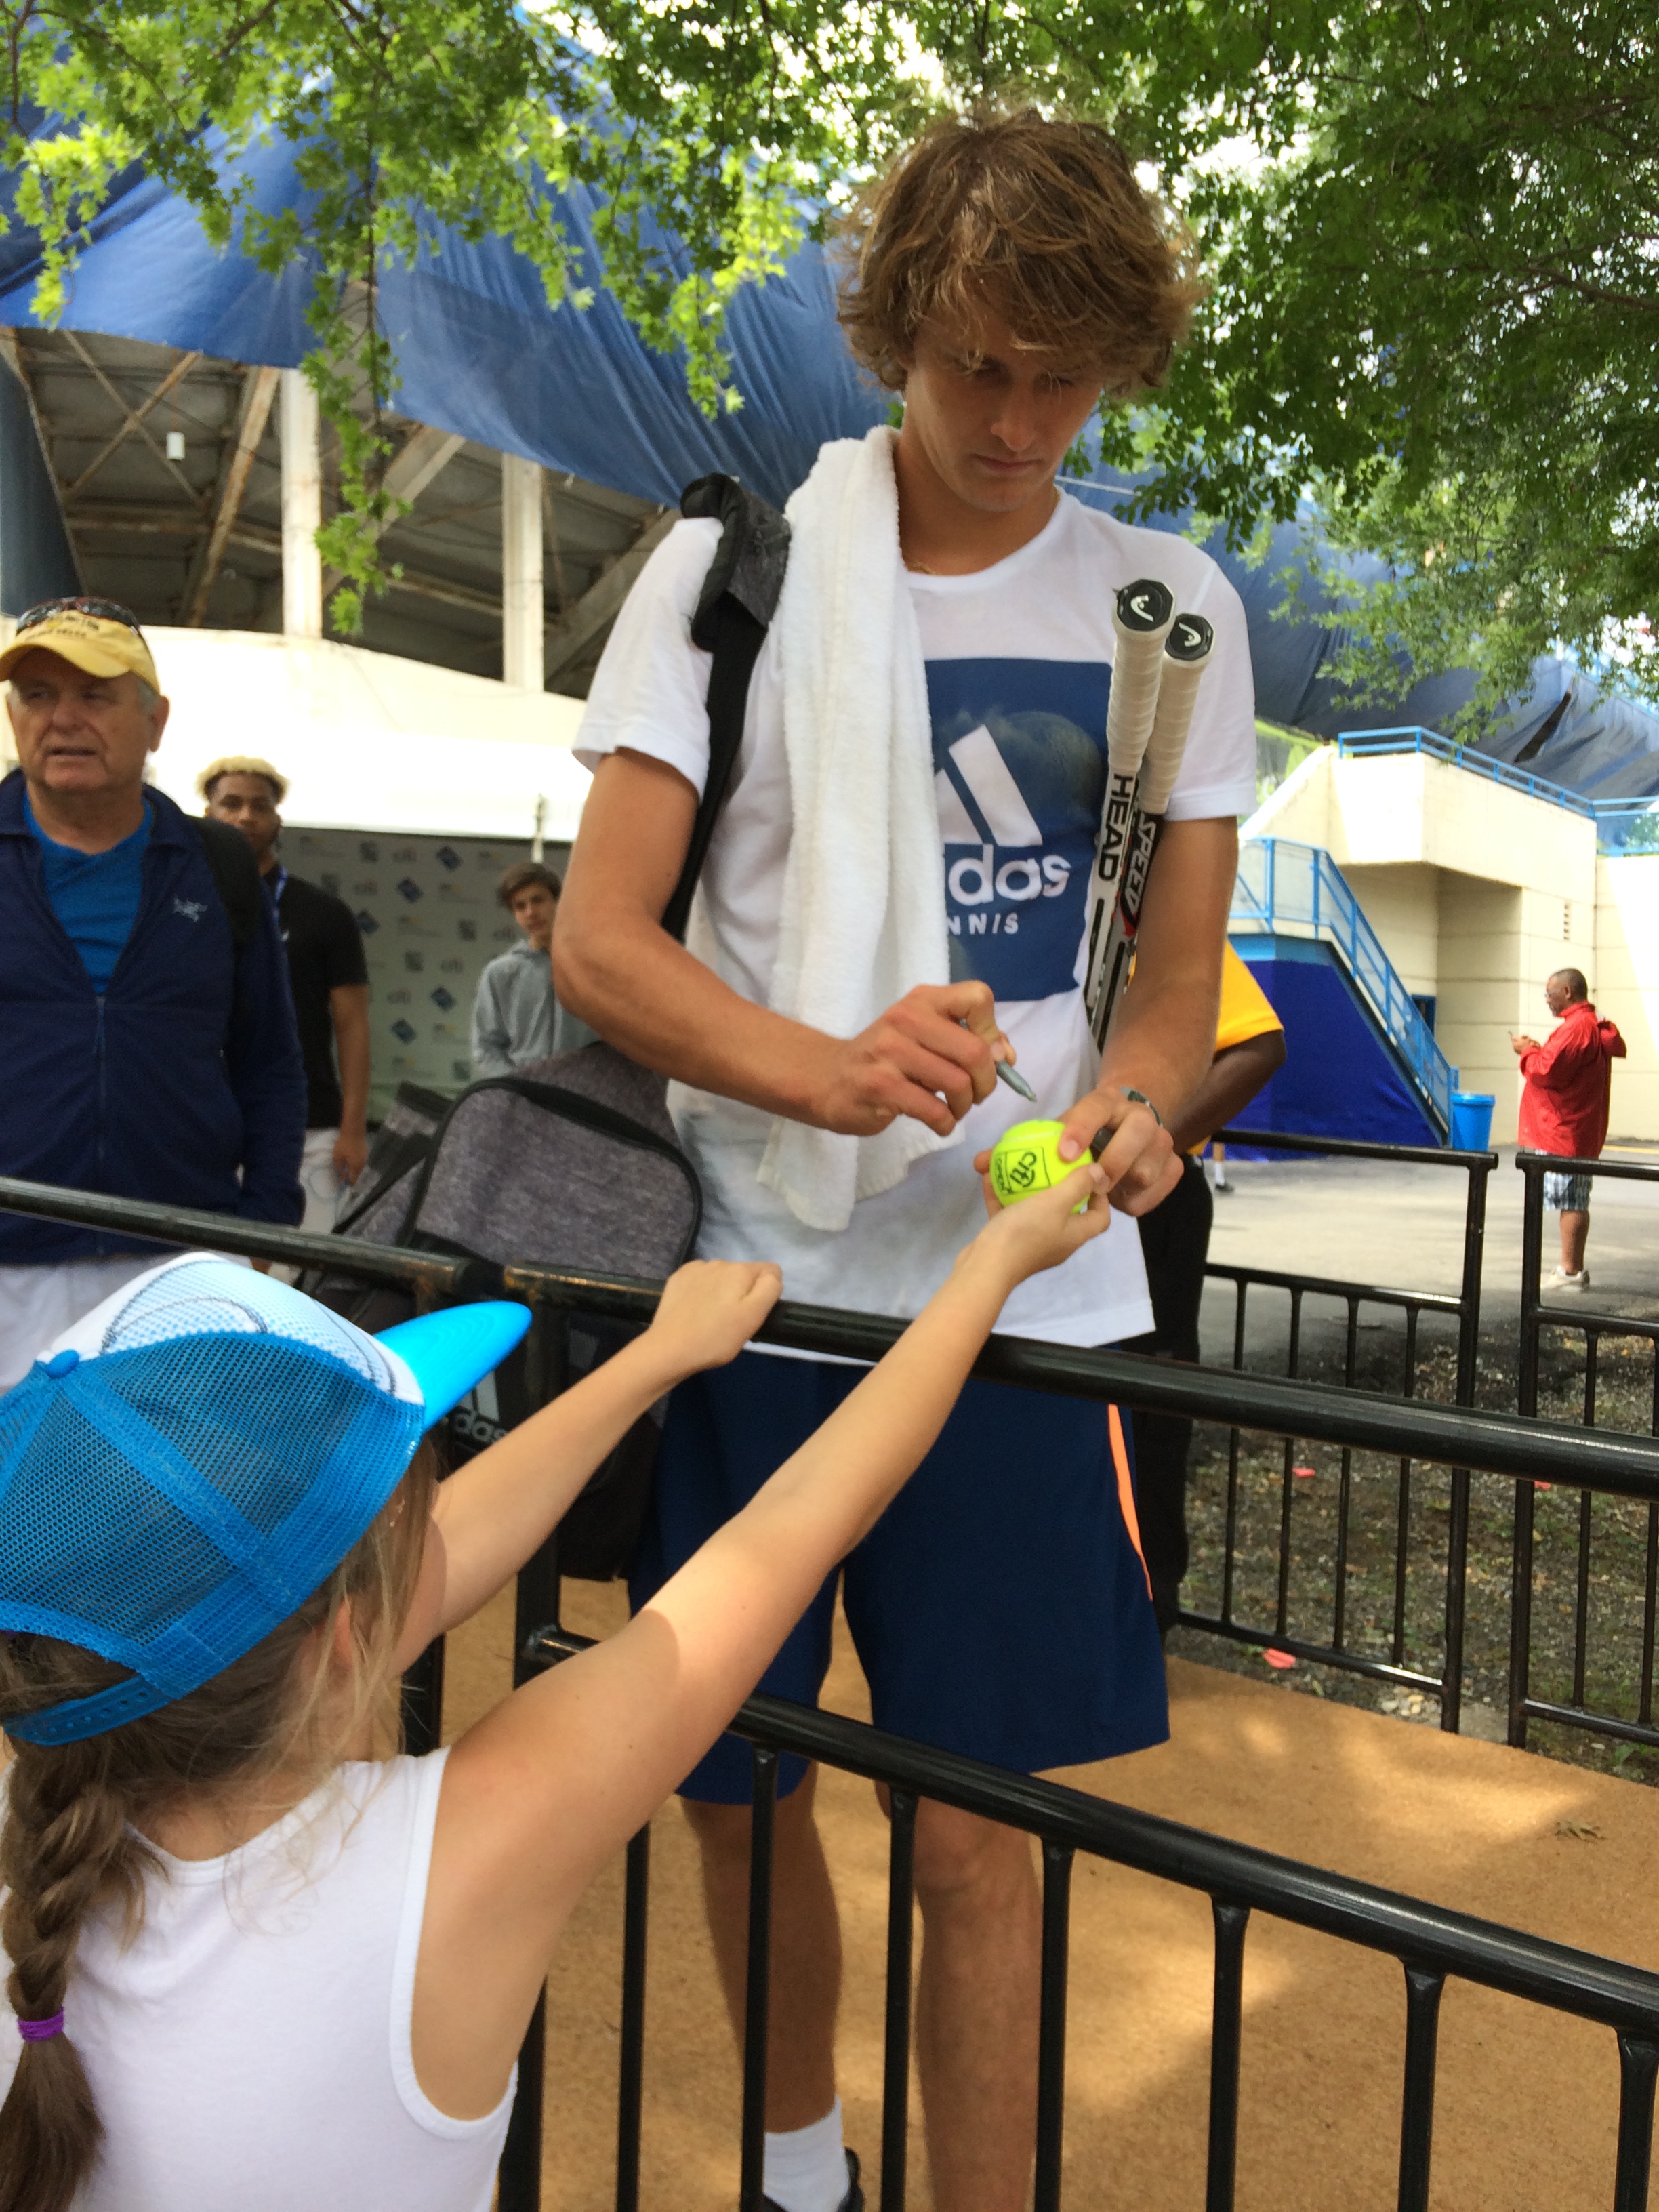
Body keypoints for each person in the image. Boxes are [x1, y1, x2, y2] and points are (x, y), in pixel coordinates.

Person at [554, 110, 1256, 2212]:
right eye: (981, 369)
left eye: (1070, 376)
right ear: (895, 337)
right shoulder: (729, 573)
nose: (1024, 422)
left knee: (983, 1820)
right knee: (740, 1783)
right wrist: (830, 1065)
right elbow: (600, 939)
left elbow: (1169, 987)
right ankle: (796, 2173)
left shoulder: (1170, 605)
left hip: (1029, 1302)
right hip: (762, 1282)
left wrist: (1129, 1113)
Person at [0, 1158, 1109, 2212]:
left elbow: (416, 1562)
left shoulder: (36, 1792)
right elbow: (796, 1521)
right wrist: (987, 1265)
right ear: (343, 1643)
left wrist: (655, 1357)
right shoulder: (458, 1855)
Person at [0, 598, 304, 1391]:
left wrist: (265, 1227)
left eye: (94, 695)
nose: (62, 719)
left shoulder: (219, 867)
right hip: (6, 1268)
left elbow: (269, 1062)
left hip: (181, 1268)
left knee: (168, 1505)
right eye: (36, 694)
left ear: (155, 720)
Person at [1130, 945, 1286, 1635]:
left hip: (1146, 1203)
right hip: (1044, 1197)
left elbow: (1258, 1044)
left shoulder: (1144, 913)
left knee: (1149, 1409)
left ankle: (1146, 1610)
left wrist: (1154, 1148)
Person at [200, 755, 371, 1232]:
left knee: (299, 1283)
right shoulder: (180, 902)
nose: (245, 817)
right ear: (207, 814)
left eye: (260, 806)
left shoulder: (323, 912)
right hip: (202, 1120)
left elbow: (353, 1023)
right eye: (230, 804)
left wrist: (353, 1129)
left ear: (278, 820)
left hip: (310, 1127)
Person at [1511, 967, 1626, 1292]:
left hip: (1565, 1129)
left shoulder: (1577, 1028)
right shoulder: (1590, 1024)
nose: (1547, 1000)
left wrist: (1527, 1052)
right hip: (1577, 1127)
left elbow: (1548, 1071)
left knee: (1572, 1200)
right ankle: (1570, 1268)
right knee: (1573, 1197)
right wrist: (1537, 1050)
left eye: (1549, 994)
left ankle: (1570, 1271)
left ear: (1567, 993)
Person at [470, 859, 592, 1076]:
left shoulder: (591, 966)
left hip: (586, 1095)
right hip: (524, 1096)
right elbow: (486, 1047)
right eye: (520, 906)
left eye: (538, 900)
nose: (530, 912)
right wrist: (516, 1087)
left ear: (558, 901)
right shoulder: (500, 974)